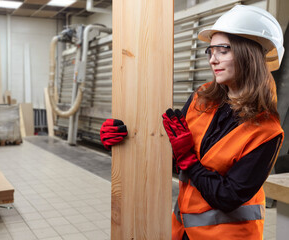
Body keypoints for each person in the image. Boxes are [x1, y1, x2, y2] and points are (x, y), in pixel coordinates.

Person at [99, 5, 285, 240]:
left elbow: (228, 196)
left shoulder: (267, 131)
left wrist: (188, 159)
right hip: (183, 231)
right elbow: (170, 159)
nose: (212, 60)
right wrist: (121, 143)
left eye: (222, 51)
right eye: (210, 51)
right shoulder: (203, 98)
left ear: (248, 55)